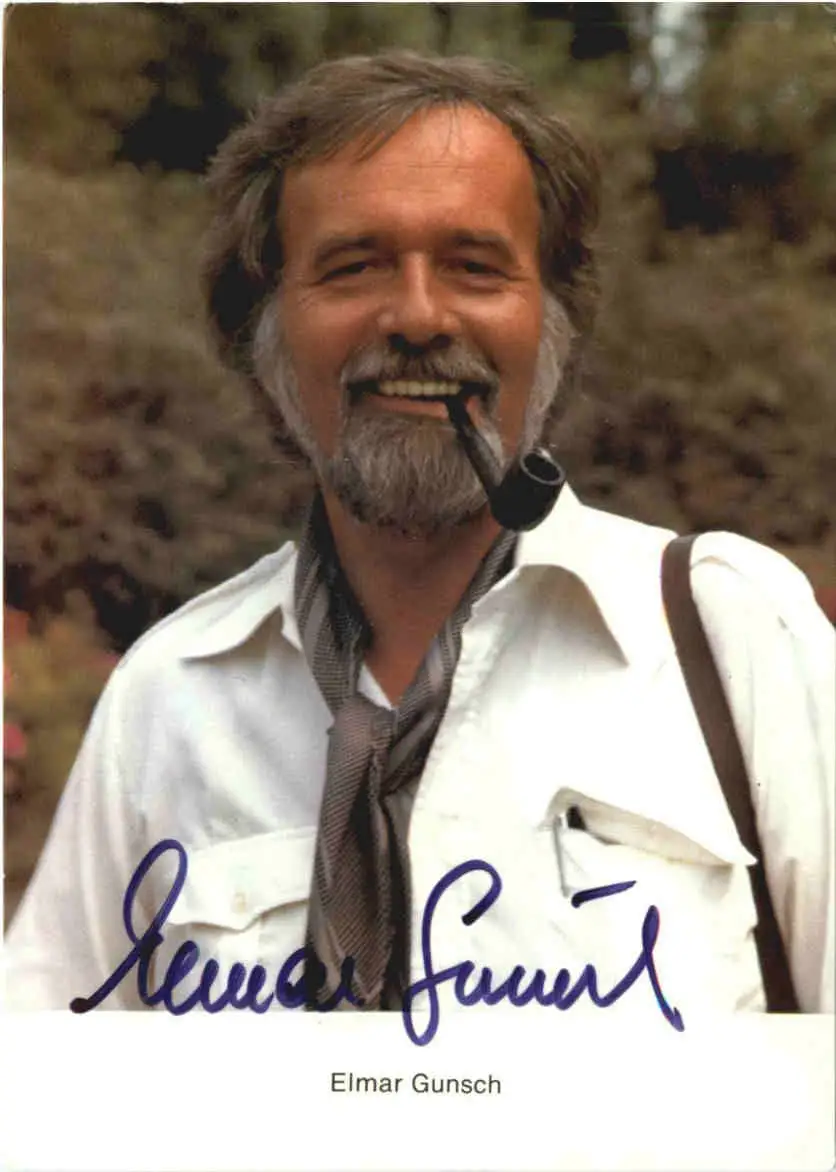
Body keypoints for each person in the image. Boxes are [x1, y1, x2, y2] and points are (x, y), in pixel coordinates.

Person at [5, 51, 833, 1021]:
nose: (417, 315)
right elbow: (46, 1085)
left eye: (474, 266)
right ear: (263, 331)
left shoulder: (730, 636)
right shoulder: (170, 694)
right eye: (352, 266)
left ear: (551, 321)